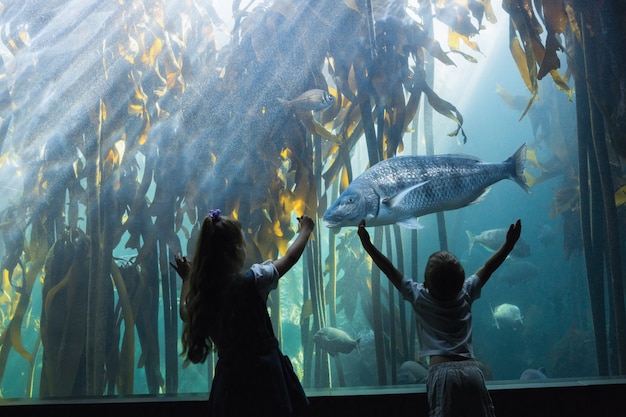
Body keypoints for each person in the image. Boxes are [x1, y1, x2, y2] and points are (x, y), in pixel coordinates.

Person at [358, 218, 522, 417]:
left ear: (425, 283)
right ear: (462, 280)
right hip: (472, 371)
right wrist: (508, 245)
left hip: (442, 374)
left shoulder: (418, 295)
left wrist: (368, 245)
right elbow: (489, 267)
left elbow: (390, 269)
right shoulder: (466, 292)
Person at [171, 209, 314, 417]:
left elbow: (185, 312)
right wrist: (306, 230)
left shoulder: (205, 297)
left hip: (231, 382)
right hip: (267, 377)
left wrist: (187, 279)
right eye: (241, 242)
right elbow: (290, 258)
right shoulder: (256, 280)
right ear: (235, 250)